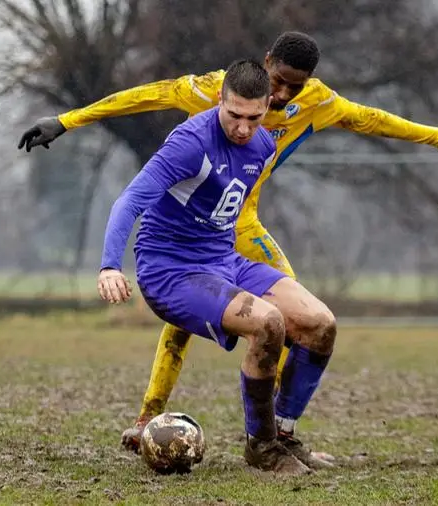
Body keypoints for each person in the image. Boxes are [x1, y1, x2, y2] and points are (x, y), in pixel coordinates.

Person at [19, 31, 438, 452]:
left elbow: (374, 120)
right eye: (279, 79)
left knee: (302, 323)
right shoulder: (216, 90)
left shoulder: (316, 102)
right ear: (266, 61)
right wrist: (67, 120)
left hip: (241, 228)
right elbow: (143, 97)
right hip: (192, 234)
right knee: (188, 315)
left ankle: (274, 434)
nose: (282, 92)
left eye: (295, 85)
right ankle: (149, 418)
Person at [98, 59, 339, 475]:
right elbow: (130, 201)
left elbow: (224, 209)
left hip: (224, 262)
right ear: (220, 102)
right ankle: (261, 448)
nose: (244, 128)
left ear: (267, 108)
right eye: (234, 116)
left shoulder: (264, 146)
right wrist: (109, 266)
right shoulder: (190, 142)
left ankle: (282, 434)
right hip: (170, 271)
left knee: (320, 324)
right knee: (268, 323)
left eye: (254, 117)